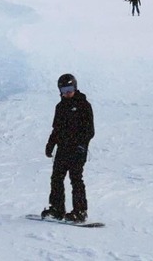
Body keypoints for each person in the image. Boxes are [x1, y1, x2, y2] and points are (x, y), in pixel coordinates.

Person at [42, 74, 95, 223]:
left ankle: (80, 211)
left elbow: (89, 130)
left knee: (76, 179)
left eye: (70, 89)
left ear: (75, 87)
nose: (67, 92)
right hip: (62, 149)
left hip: (77, 150)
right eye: (64, 89)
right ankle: (57, 209)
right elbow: (56, 129)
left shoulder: (84, 105)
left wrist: (82, 145)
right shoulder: (60, 107)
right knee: (56, 178)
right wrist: (50, 145)